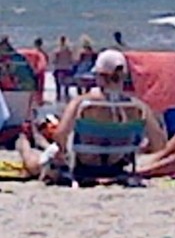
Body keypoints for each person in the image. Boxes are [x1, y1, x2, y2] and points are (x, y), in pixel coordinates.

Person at [16, 49, 166, 181]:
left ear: (99, 75)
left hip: (84, 166)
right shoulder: (138, 107)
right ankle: (31, 141)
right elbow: (159, 143)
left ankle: (23, 143)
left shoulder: (82, 103)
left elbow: (60, 136)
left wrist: (62, 152)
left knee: (32, 161)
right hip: (115, 166)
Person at [52, 35, 74, 102]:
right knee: (66, 84)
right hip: (67, 68)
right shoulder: (69, 50)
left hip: (59, 68)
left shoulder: (57, 50)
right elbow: (71, 59)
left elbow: (54, 60)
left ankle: (58, 96)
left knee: (57, 84)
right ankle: (66, 96)